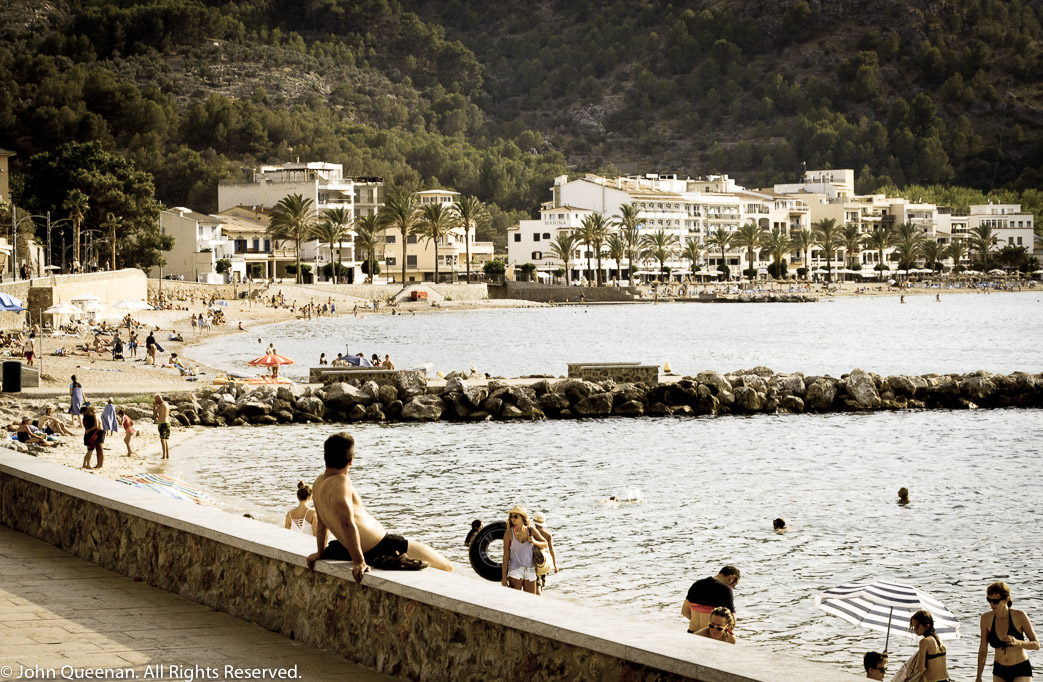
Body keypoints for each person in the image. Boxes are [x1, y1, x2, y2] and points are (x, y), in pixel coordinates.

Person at [306, 432, 452, 582]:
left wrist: (321, 552)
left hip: (350, 549)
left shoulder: (318, 483)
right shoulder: (341, 481)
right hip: (383, 546)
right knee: (446, 567)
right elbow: (347, 522)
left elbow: (322, 524)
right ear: (351, 461)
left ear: (325, 457)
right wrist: (359, 562)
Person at [976, 581, 1038, 682]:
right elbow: (983, 649)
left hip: (1020, 668)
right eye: (989, 600)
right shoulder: (985, 619)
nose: (991, 604)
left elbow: (1036, 645)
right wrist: (978, 676)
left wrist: (1018, 642)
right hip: (999, 669)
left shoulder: (1020, 616)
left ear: (1006, 599)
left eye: (996, 601)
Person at [501, 505, 548, 595]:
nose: (512, 519)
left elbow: (545, 544)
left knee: (530, 600)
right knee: (515, 598)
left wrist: (534, 541)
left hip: (530, 569)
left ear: (523, 518)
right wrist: (503, 577)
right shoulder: (508, 534)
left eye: (515, 516)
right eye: (511, 516)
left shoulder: (531, 530)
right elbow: (505, 556)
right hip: (515, 569)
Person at [683, 566, 740, 633]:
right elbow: (732, 622)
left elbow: (685, 611)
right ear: (732, 578)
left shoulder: (696, 584)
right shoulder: (726, 590)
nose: (732, 588)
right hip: (710, 635)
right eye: (733, 585)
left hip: (692, 632)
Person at [909, 610, 950, 682]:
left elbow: (921, 668)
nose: (915, 630)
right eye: (913, 627)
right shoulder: (939, 639)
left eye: (917, 627)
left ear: (927, 626)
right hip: (946, 680)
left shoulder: (924, 642)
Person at [531, 512, 559, 594]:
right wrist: (555, 564)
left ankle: (539, 599)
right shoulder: (548, 534)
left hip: (533, 560)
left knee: (536, 585)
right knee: (541, 584)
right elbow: (552, 550)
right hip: (544, 561)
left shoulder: (531, 532)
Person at [153, 394, 170, 459]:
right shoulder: (166, 404)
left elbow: (154, 413)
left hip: (163, 424)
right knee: (165, 440)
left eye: (155, 400)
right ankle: (167, 455)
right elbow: (161, 412)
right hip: (167, 423)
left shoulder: (161, 405)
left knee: (162, 440)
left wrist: (154, 406)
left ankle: (164, 456)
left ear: (158, 400)